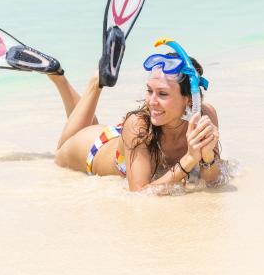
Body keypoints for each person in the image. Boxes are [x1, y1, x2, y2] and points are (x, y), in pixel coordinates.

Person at [49, 53, 222, 192]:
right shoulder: (138, 125)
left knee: (84, 125)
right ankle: (79, 81)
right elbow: (140, 193)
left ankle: (68, 78)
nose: (151, 101)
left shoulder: (205, 116)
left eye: (162, 94)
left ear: (190, 100)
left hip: (128, 140)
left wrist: (207, 156)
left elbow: (212, 182)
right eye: (149, 91)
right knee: (59, 153)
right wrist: (190, 158)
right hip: (95, 148)